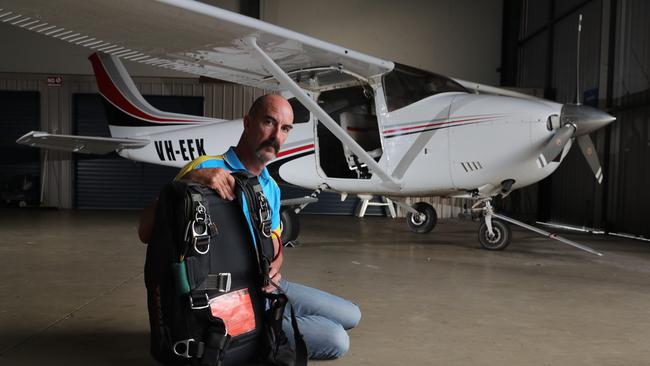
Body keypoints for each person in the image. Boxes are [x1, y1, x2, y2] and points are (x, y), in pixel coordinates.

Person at [138, 94, 361, 360]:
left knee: (352, 314)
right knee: (336, 339)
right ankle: (257, 332)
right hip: (230, 297)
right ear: (247, 123)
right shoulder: (206, 168)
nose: (276, 135)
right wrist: (189, 180)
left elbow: (275, 240)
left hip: (267, 285)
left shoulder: (270, 186)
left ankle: (278, 316)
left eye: (286, 128)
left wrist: (276, 264)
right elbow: (146, 231)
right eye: (269, 122)